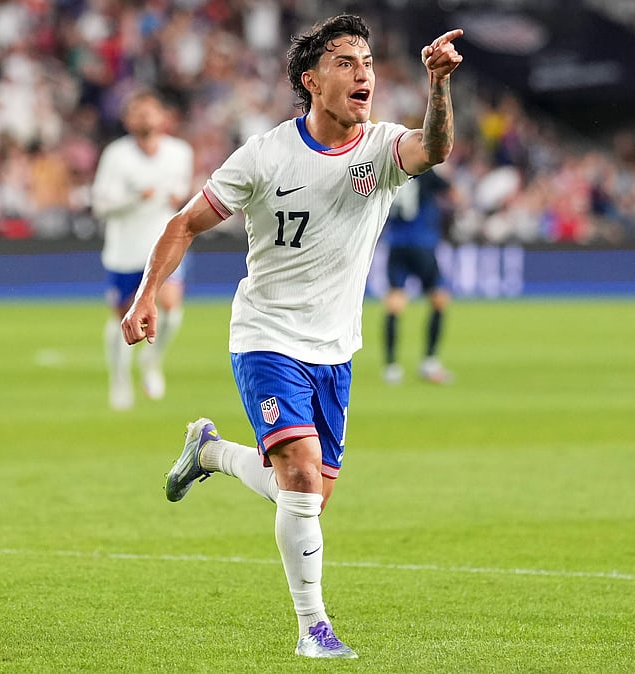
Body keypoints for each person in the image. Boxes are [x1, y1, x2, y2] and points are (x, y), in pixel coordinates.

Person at [121, 15, 463, 659]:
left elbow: (436, 148)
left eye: (366, 60)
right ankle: (314, 629)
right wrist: (146, 297)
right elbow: (183, 223)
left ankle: (213, 452)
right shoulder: (264, 156)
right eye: (345, 61)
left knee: (303, 492)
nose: (363, 71)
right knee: (301, 476)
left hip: (336, 347)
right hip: (267, 334)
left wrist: (439, 84)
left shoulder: (382, 148)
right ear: (311, 81)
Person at [92, 89, 193, 411]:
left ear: (163, 117)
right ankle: (120, 376)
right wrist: (137, 198)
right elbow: (101, 205)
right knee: (124, 316)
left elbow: (182, 194)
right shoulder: (116, 155)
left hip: (164, 245)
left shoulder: (180, 152)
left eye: (150, 111)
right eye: (138, 112)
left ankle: (151, 360)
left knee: (172, 310)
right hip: (125, 249)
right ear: (127, 120)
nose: (145, 117)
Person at [381, 165, 455, 385]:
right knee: (439, 299)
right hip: (421, 243)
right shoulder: (426, 172)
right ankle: (429, 362)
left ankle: (391, 367)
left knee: (394, 302)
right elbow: (453, 193)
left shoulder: (392, 168)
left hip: (396, 243)